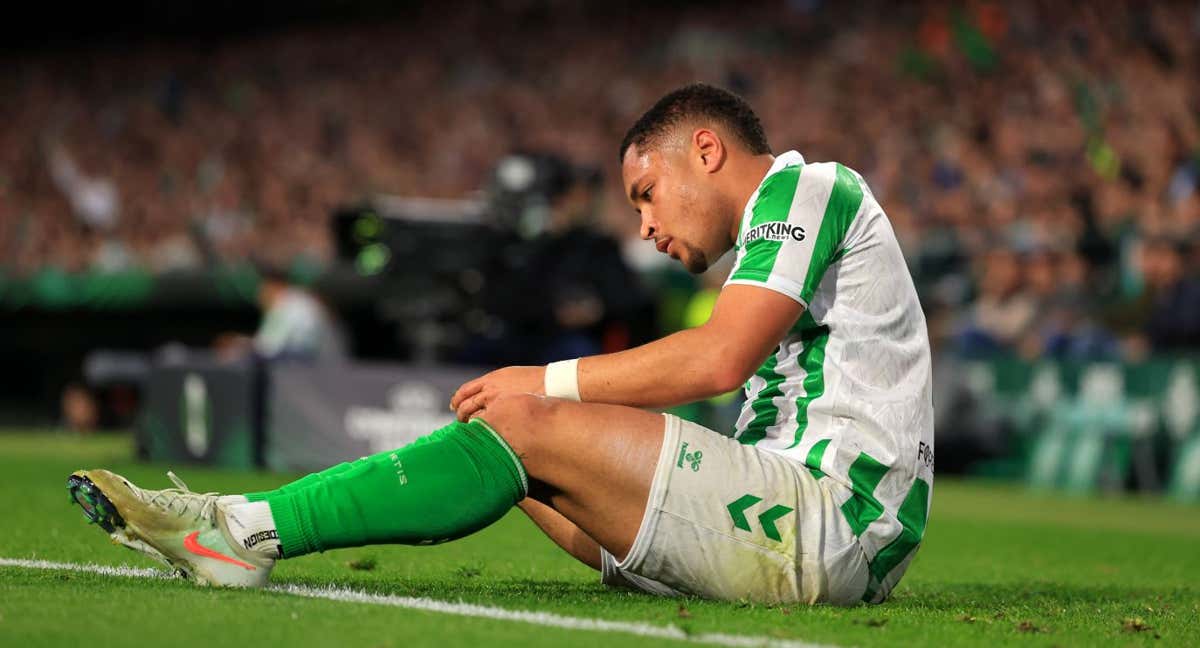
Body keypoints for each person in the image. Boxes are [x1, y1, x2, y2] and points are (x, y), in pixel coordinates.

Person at [67, 83, 934, 606]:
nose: (644, 225)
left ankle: (241, 531)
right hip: (802, 520)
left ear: (705, 149)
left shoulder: (808, 186)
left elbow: (715, 361)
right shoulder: (773, 235)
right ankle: (243, 525)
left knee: (522, 420)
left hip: (836, 519)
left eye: (647, 192)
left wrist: (544, 386)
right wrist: (536, 443)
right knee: (521, 458)